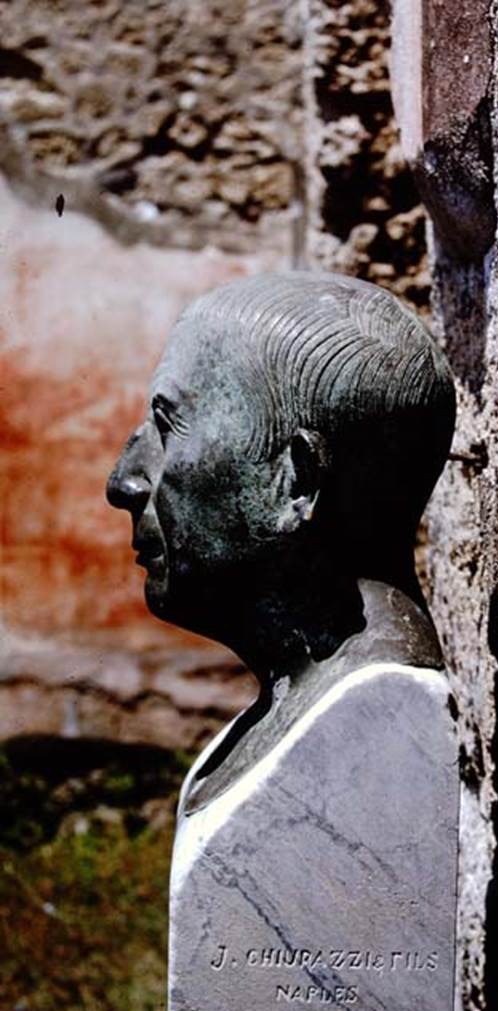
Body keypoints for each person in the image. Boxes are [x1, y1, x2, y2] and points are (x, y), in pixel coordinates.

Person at [107, 271, 455, 813]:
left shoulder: (372, 732)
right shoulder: (298, 714)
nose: (124, 483)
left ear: (295, 482)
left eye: (168, 427)